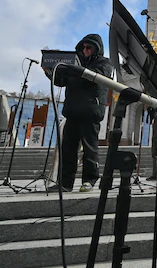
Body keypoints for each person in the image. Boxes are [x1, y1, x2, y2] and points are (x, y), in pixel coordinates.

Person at [46, 34, 112, 193]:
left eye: (89, 48)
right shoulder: (74, 65)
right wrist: (49, 71)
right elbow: (60, 81)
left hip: (90, 112)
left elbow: (94, 77)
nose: (85, 50)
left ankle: (89, 180)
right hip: (72, 111)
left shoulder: (104, 63)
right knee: (68, 149)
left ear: (96, 49)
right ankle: (65, 183)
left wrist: (73, 68)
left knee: (90, 148)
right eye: (83, 47)